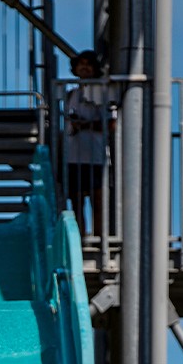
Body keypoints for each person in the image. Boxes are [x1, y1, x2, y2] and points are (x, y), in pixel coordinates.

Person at [63, 50, 110, 240]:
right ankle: (79, 237)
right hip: (74, 154)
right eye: (80, 64)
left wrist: (84, 125)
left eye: (88, 64)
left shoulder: (102, 94)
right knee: (76, 200)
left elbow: (110, 124)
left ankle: (99, 237)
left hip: (96, 155)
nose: (84, 67)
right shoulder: (70, 95)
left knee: (97, 199)